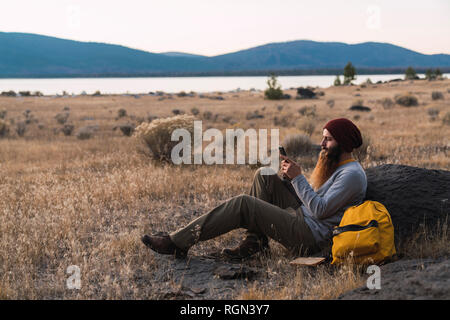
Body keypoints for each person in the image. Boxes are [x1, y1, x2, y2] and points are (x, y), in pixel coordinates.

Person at [141, 118, 368, 259]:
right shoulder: (342, 168)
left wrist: (298, 179)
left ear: (344, 143)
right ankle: (255, 242)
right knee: (265, 175)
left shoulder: (352, 175)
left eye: (327, 139)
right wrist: (291, 180)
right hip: (303, 218)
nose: (322, 144)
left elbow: (319, 210)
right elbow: (317, 201)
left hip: (309, 237)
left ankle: (176, 242)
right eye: (322, 138)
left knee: (244, 203)